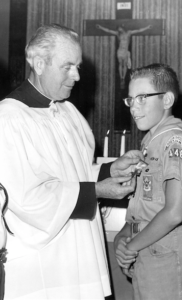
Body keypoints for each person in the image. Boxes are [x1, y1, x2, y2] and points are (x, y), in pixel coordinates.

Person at [0, 24, 143, 300]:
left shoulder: (67, 111)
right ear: (39, 64)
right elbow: (27, 199)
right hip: (45, 265)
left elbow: (71, 172)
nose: (77, 75)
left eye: (77, 66)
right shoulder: (9, 119)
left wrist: (109, 170)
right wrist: (98, 191)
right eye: (68, 66)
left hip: (81, 253)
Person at [114, 63, 182, 300]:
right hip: (147, 248)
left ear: (167, 100)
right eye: (130, 100)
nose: (134, 108)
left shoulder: (174, 142)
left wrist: (132, 246)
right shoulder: (151, 143)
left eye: (142, 98)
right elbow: (144, 210)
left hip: (166, 251)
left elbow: (173, 214)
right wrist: (122, 240)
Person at [96, 23, 152, 88]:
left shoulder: (128, 33)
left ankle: (123, 78)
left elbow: (138, 30)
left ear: (123, 28)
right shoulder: (118, 34)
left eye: (120, 29)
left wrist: (147, 27)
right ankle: (121, 78)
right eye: (118, 29)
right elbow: (108, 30)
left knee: (124, 64)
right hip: (120, 51)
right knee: (120, 64)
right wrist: (100, 27)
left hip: (125, 51)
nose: (119, 30)